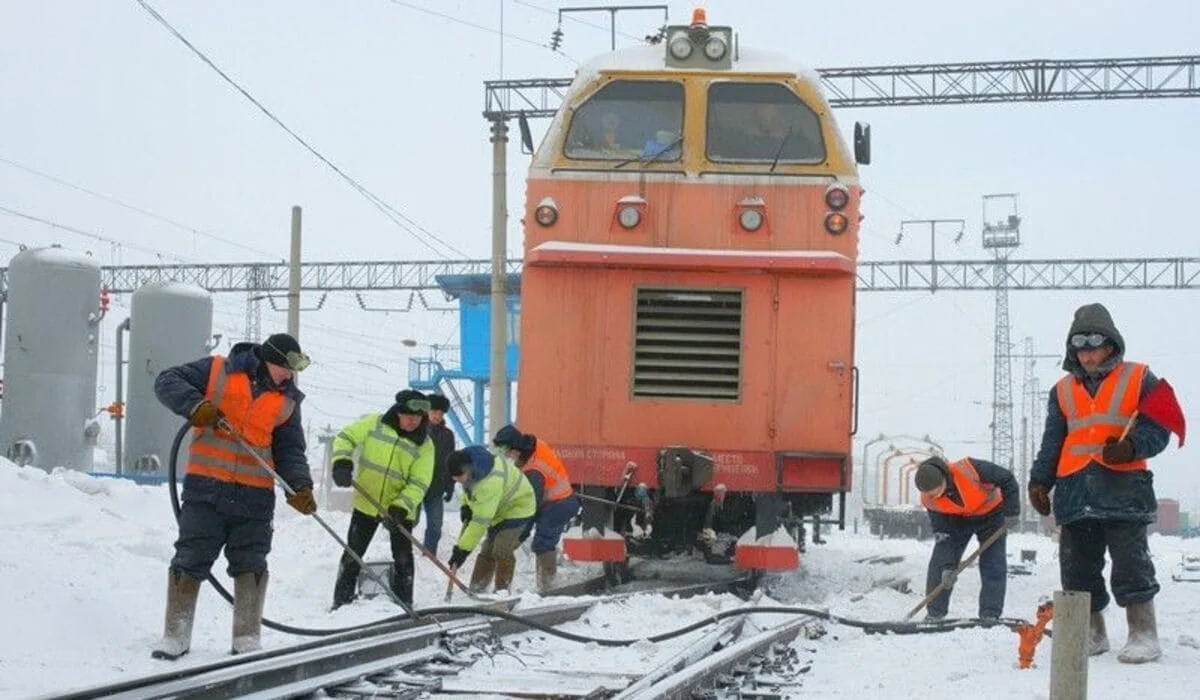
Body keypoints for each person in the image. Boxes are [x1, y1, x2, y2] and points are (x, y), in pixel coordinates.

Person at [150, 332, 316, 659]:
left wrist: (300, 485)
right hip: (206, 489)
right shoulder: (217, 371)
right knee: (191, 557)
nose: (289, 375)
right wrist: (195, 406)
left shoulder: (288, 401)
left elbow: (290, 450)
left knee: (251, 561)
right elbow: (166, 381)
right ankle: (176, 634)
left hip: (255, 497)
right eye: (286, 368)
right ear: (269, 361)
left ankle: (246, 637)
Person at [1028, 303, 1171, 663]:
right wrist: (1040, 480)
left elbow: (1159, 428)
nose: (1088, 352)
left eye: (1096, 343)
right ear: (1072, 348)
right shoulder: (1061, 390)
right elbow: (1052, 441)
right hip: (1075, 490)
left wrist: (1132, 446)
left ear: (1111, 343)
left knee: (1131, 563)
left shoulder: (1139, 378)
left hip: (1124, 489)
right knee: (1077, 566)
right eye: (1081, 344)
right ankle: (1090, 633)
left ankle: (1143, 633)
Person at [329, 390, 434, 610]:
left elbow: (419, 483)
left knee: (403, 558)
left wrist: (401, 507)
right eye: (409, 416)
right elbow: (345, 438)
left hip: (399, 510)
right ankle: (341, 601)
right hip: (366, 503)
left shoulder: (425, 445)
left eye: (418, 418)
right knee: (353, 553)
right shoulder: (373, 423)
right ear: (398, 413)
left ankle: (405, 604)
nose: (413, 422)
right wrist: (342, 461)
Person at [913, 455, 1019, 621]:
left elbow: (1007, 478)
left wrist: (1012, 512)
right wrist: (948, 565)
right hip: (956, 520)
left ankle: (990, 614)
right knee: (939, 565)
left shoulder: (970, 469)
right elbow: (943, 534)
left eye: (936, 491)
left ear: (943, 479)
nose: (934, 496)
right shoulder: (929, 499)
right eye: (930, 494)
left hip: (991, 514)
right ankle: (935, 613)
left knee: (993, 562)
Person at [493, 424, 581, 591]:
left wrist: (521, 534)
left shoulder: (534, 470)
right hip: (557, 500)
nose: (508, 457)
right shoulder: (535, 444)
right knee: (543, 542)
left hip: (559, 504)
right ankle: (547, 585)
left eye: (508, 452)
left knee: (543, 543)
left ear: (515, 449)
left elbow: (531, 507)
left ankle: (548, 587)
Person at [445, 445, 536, 593]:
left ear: (468, 469)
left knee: (501, 549)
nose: (458, 481)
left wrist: (462, 550)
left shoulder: (489, 482)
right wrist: (466, 506)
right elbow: (469, 490)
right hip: (499, 508)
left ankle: (502, 592)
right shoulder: (471, 468)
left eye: (459, 477)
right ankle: (477, 588)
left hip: (519, 507)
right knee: (487, 549)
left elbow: (480, 523)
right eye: (454, 478)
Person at [421, 394, 456, 554]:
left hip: (436, 487)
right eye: (434, 411)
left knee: (435, 525)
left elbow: (451, 462)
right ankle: (403, 552)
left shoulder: (448, 435)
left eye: (441, 413)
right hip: (416, 484)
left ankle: (428, 554)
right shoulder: (418, 431)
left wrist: (450, 485)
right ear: (427, 411)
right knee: (408, 521)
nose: (437, 416)